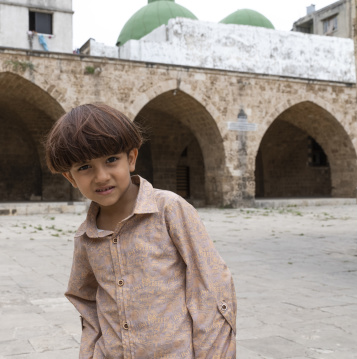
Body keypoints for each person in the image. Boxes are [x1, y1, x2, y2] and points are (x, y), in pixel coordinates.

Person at [44, 103, 236, 359]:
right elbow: (86, 301)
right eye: (85, 167)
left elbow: (211, 285)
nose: (101, 176)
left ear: (131, 158)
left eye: (111, 160)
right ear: (71, 178)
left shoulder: (169, 210)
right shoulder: (86, 238)